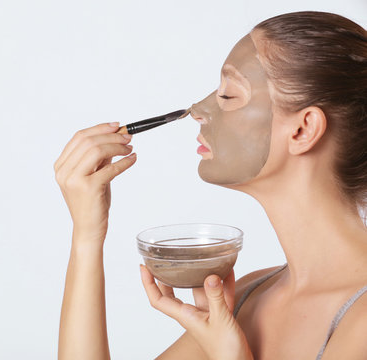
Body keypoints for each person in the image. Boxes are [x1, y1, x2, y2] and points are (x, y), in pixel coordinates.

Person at [54, 11, 367, 360]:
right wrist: (86, 236)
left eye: (229, 96)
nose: (199, 110)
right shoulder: (250, 296)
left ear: (303, 130)